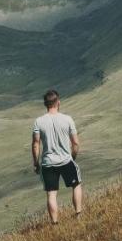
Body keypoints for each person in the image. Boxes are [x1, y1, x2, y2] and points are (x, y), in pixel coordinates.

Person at [31, 88, 82, 224]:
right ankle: (78, 215)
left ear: (45, 104)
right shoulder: (67, 119)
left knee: (51, 194)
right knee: (76, 185)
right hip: (66, 160)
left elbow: (36, 144)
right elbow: (75, 143)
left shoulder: (38, 122)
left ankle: (55, 224)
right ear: (58, 102)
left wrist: (36, 163)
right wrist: (73, 156)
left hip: (48, 163)